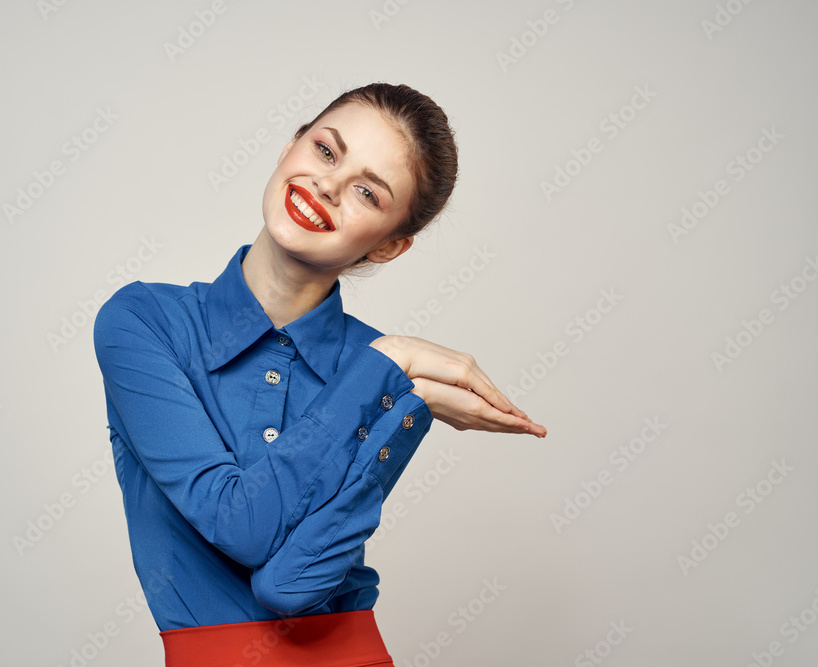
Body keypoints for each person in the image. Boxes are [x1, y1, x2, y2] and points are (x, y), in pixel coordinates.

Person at [93, 82, 547, 667]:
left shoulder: (375, 368)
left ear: (389, 247)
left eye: (367, 192)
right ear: (290, 147)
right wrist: (395, 367)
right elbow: (243, 527)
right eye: (326, 151)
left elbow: (292, 587)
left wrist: (403, 408)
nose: (328, 186)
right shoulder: (145, 321)